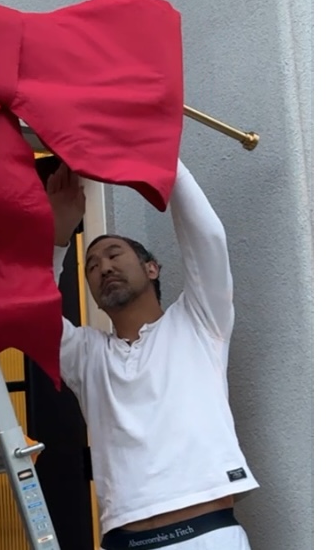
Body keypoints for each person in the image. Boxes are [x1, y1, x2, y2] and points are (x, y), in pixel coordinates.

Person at [45, 159, 257, 550]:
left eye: (113, 254)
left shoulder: (198, 322)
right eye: (91, 265)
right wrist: (59, 233)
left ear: (152, 268)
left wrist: (164, 161)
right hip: (124, 540)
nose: (103, 267)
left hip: (208, 534)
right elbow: (33, 311)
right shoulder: (87, 356)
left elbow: (206, 237)